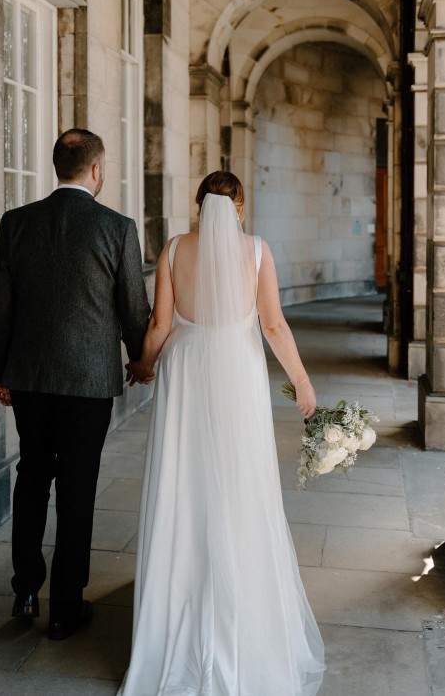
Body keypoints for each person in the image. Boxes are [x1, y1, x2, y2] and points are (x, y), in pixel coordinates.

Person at [120, 171, 324, 696]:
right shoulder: (256, 250)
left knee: (183, 480)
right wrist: (301, 382)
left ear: (197, 205)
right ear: (238, 206)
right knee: (239, 481)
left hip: (186, 370)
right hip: (236, 368)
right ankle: (240, 614)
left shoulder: (172, 250)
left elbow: (161, 326)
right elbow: (274, 325)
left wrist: (143, 366)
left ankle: (177, 612)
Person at [0, 128, 150, 641]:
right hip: (88, 381)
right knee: (78, 489)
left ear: (57, 164)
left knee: (33, 476)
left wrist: (1, 372)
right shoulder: (117, 228)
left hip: (30, 379)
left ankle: (25, 591)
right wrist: (141, 358)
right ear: (97, 169)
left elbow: (2, 309)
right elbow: (133, 309)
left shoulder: (16, 223)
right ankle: (64, 607)